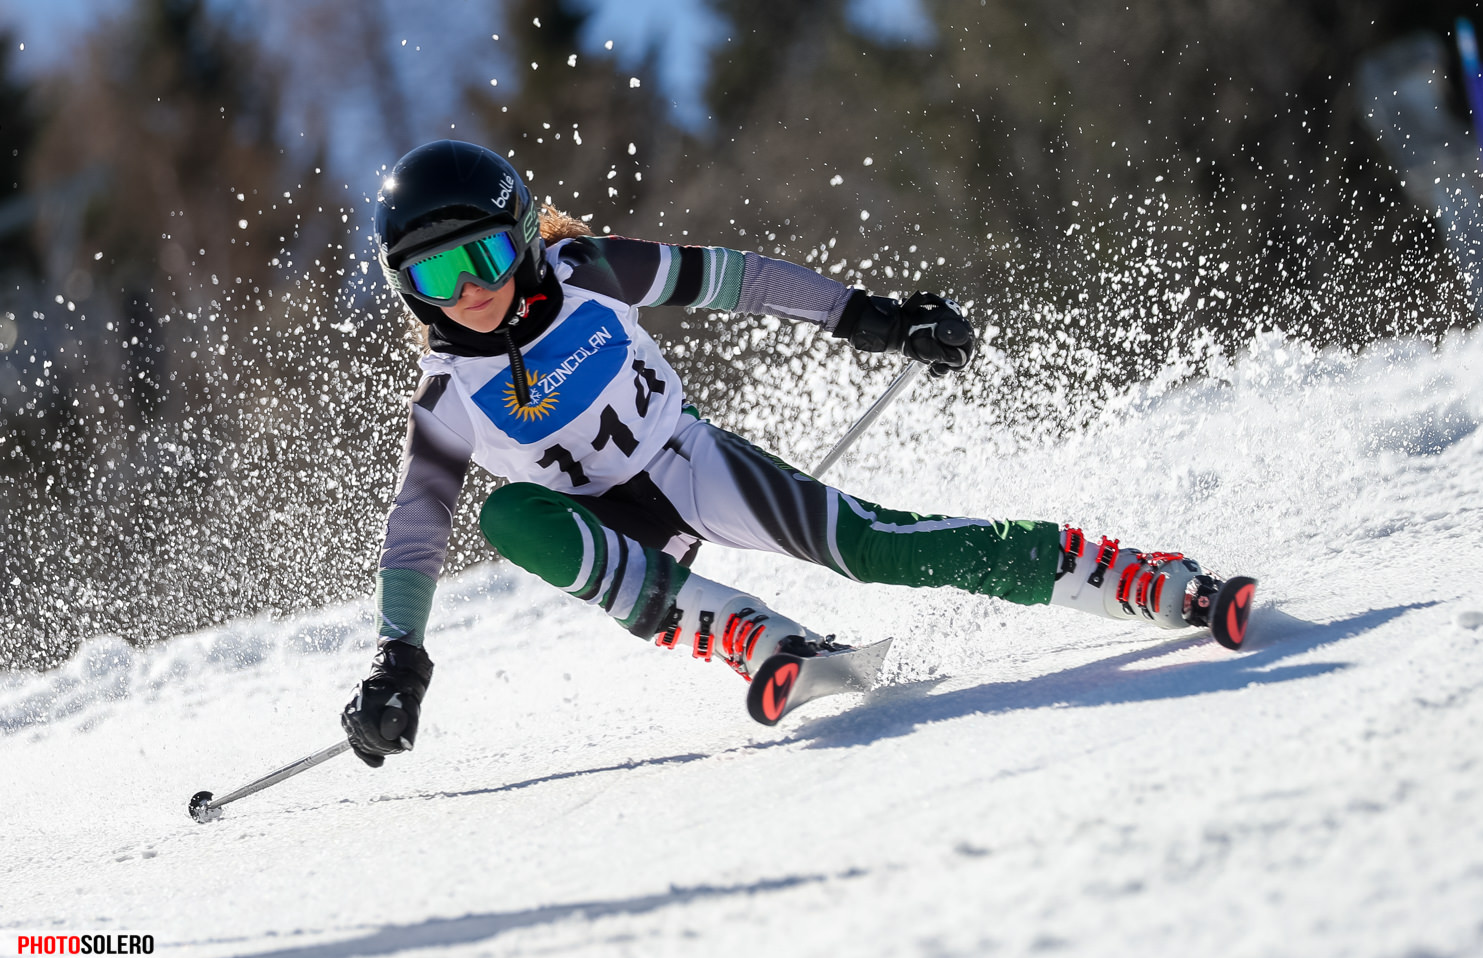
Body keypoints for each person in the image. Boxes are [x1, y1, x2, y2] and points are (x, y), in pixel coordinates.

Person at [341, 139, 1238, 764]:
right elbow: (417, 523)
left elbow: (738, 279)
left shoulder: (595, 273)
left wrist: (870, 317)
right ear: (408, 291)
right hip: (618, 540)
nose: (470, 291)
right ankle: (742, 632)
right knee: (506, 515)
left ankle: (1129, 576)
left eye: (485, 256)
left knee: (877, 545)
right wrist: (397, 657)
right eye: (435, 275)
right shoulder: (448, 394)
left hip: (690, 463)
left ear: (526, 237)